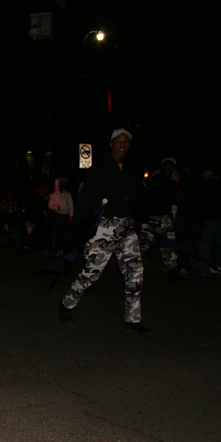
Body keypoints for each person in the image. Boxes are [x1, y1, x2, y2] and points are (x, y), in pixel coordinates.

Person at [59, 129, 149, 334]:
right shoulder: (98, 169)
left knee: (135, 273)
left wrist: (141, 216)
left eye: (126, 141)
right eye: (118, 141)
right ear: (111, 144)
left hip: (126, 227)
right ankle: (67, 303)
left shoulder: (133, 170)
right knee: (92, 273)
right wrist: (78, 229)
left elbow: (140, 198)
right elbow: (85, 199)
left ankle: (132, 320)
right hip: (103, 227)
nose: (122, 145)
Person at [141, 157, 181, 280]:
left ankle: (172, 271)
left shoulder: (171, 184)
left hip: (165, 218)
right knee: (143, 245)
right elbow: (144, 201)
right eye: (166, 167)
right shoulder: (153, 182)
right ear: (161, 168)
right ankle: (131, 268)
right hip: (152, 218)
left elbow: (171, 200)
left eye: (171, 168)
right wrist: (144, 220)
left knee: (169, 244)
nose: (169, 170)